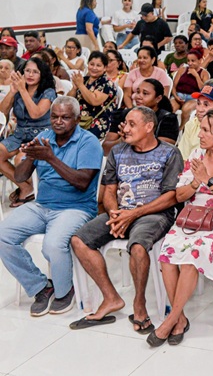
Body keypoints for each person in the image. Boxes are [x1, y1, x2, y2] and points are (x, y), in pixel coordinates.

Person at [69, 106, 183, 332]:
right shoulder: (118, 151)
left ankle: (139, 304)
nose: (125, 129)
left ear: (149, 127)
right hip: (121, 212)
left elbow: (172, 196)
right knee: (79, 241)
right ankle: (111, 297)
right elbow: (109, 191)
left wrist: (133, 214)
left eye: (132, 124)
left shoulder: (170, 153)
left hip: (154, 214)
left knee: (138, 247)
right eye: (125, 123)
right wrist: (115, 214)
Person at [151, 109, 213, 346]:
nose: (200, 135)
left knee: (191, 257)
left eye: (206, 130)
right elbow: (179, 195)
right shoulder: (196, 155)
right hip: (192, 218)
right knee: (167, 254)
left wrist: (209, 180)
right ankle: (180, 319)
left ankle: (171, 320)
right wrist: (195, 182)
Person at [0, 97, 102, 317]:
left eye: (65, 117)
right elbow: (20, 177)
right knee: (3, 235)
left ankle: (65, 291)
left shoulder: (88, 142)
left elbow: (82, 182)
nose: (58, 121)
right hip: (42, 205)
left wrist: (50, 157)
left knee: (53, 245)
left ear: (77, 119)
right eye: (54, 116)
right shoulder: (43, 138)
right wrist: (30, 157)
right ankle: (41, 287)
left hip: (76, 208)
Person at [0, 57, 57, 207]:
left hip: (41, 135)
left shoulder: (48, 92)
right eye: (27, 71)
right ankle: (26, 187)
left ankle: (35, 189)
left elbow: (35, 113)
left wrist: (23, 90)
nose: (30, 75)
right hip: (19, 134)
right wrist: (12, 92)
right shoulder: (18, 88)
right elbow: (2, 111)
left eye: (35, 72)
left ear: (42, 74)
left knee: (21, 159)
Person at [104, 78, 180, 154]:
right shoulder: (123, 114)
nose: (138, 96)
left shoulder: (167, 119)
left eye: (145, 93)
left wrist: (135, 138)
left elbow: (163, 151)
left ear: (158, 98)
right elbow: (105, 149)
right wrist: (121, 141)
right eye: (137, 92)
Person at [67, 51, 117, 140]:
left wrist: (80, 85)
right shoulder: (84, 80)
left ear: (105, 68)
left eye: (98, 65)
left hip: (96, 121)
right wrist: (74, 88)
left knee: (79, 138)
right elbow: (68, 101)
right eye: (92, 64)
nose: (94, 68)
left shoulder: (107, 84)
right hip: (79, 119)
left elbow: (94, 101)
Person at [170, 47, 208, 126]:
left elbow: (204, 90)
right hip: (179, 95)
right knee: (170, 108)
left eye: (193, 61)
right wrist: (176, 96)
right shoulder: (182, 69)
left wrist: (196, 76)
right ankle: (170, 128)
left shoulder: (204, 73)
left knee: (186, 109)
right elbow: (173, 86)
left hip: (193, 97)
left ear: (200, 60)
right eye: (188, 60)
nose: (190, 63)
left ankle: (182, 129)